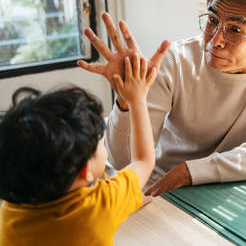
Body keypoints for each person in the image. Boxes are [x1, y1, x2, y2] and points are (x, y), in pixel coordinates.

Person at [79, 0, 246, 197]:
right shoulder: (177, 60)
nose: (215, 41)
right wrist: (127, 102)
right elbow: (122, 161)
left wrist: (190, 171)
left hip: (230, 186)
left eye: (235, 29)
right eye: (212, 20)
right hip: (165, 185)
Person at [0, 50, 168, 245]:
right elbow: (143, 161)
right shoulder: (100, 206)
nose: (102, 142)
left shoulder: (10, 210)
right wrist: (137, 99)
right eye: (99, 139)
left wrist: (128, 201)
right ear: (85, 171)